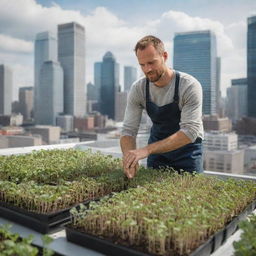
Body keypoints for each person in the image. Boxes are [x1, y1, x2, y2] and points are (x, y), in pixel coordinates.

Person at [120, 35, 204, 179]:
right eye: (142, 65)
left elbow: (190, 132)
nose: (147, 69)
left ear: (164, 56)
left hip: (187, 152)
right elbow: (128, 130)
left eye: (151, 62)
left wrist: (146, 150)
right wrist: (130, 159)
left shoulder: (189, 85)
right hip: (157, 153)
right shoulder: (139, 88)